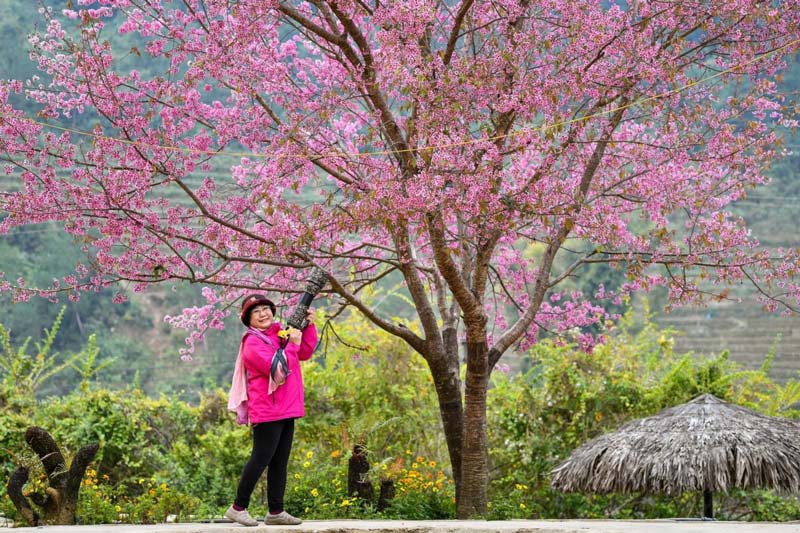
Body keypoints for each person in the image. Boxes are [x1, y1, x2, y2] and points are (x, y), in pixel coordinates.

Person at [225, 293, 318, 527]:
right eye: (256, 311)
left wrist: (307, 328)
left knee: (280, 461)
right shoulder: (252, 342)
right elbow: (278, 369)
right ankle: (238, 507)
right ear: (248, 319)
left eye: (266, 308)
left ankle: (276, 511)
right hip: (267, 409)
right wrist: (293, 345)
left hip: (287, 406)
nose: (264, 313)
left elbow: (304, 353)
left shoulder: (279, 334)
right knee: (261, 458)